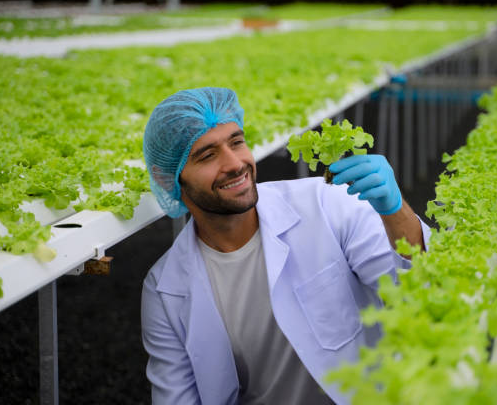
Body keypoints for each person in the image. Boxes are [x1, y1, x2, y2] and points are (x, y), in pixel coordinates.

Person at [141, 87, 431, 404]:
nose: (235, 163)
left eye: (237, 142)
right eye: (207, 155)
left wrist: (396, 211)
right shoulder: (164, 290)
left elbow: (418, 293)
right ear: (169, 179)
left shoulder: (325, 203)